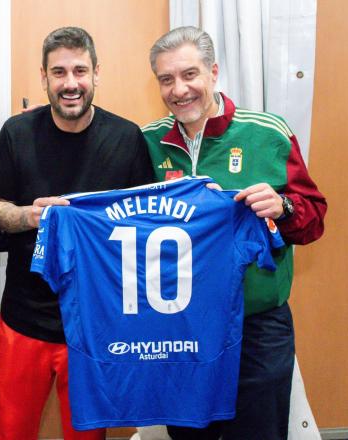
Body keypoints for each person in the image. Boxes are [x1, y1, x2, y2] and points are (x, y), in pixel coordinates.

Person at [142, 26, 327, 440]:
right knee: (189, 433)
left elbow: (314, 217)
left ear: (214, 72)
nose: (179, 89)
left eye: (190, 74)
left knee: (259, 433)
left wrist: (284, 208)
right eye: (166, 79)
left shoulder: (267, 132)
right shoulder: (147, 142)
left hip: (257, 329)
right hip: (180, 330)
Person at [0, 26, 154, 439]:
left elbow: (147, 229)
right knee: (12, 430)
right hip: (24, 321)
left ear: (97, 73)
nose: (71, 83)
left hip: (96, 327)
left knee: (88, 435)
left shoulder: (127, 138)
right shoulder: (17, 133)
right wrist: (28, 216)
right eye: (58, 73)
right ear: (43, 78)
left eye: (80, 70)